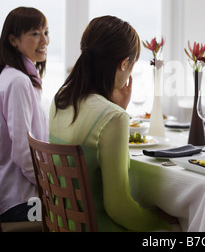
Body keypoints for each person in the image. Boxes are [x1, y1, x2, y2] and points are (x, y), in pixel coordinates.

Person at [49, 15, 174, 232]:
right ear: (124, 63)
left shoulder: (60, 99)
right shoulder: (113, 118)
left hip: (62, 225)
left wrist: (116, 107)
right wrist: (170, 226)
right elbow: (119, 209)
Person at [0, 7, 49, 221]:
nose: (44, 40)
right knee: (81, 210)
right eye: (35, 34)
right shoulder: (19, 81)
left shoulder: (9, 76)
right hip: (19, 203)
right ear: (13, 40)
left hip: (8, 196)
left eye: (46, 33)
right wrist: (48, 186)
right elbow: (23, 152)